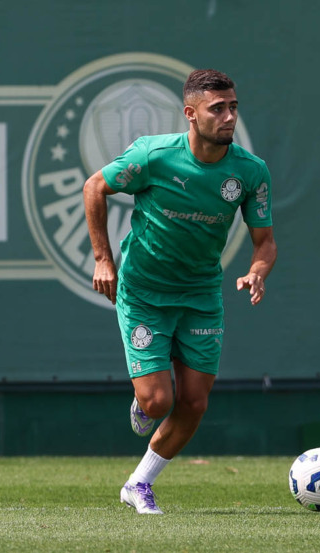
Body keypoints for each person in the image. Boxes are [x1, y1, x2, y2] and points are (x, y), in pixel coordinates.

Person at [81, 69, 277, 514]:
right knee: (157, 401)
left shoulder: (250, 172)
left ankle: (138, 484)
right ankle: (143, 399)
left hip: (201, 295)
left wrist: (258, 270)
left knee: (193, 402)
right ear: (190, 114)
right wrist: (103, 259)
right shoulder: (154, 155)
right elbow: (95, 187)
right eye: (217, 109)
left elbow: (265, 242)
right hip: (145, 291)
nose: (229, 117)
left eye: (233, 107)